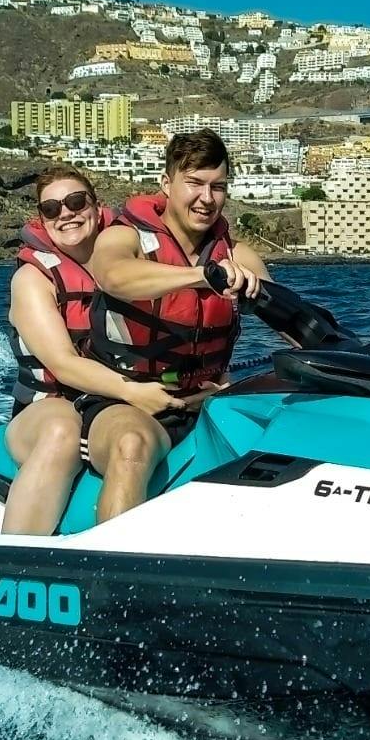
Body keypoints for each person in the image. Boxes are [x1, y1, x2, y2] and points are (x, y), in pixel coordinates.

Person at [80, 129, 273, 523]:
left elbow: (288, 314)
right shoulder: (124, 237)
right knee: (132, 445)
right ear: (167, 184)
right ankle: (112, 578)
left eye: (218, 187)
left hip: (204, 401)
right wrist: (202, 276)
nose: (207, 198)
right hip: (124, 402)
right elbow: (112, 275)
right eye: (195, 183)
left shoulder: (238, 255)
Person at [1, 167, 183, 535]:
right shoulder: (33, 279)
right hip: (52, 404)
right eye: (51, 209)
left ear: (97, 207)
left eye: (75, 201)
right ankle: (12, 563)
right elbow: (64, 364)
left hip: (114, 403)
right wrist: (134, 392)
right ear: (42, 220)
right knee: (61, 431)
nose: (65, 213)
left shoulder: (133, 259)